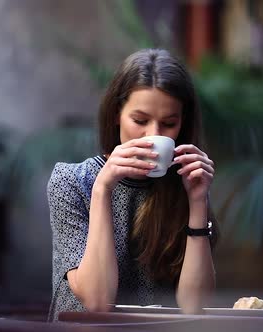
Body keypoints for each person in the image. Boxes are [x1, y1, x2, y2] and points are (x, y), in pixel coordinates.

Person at [47, 48, 219, 322]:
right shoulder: (72, 181)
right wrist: (103, 188)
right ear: (117, 113)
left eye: (168, 124)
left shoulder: (186, 185)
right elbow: (97, 299)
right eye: (140, 121)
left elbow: (194, 306)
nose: (153, 135)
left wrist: (198, 201)